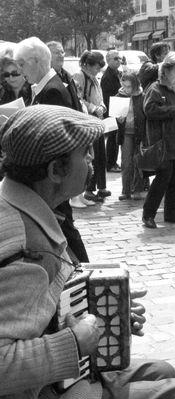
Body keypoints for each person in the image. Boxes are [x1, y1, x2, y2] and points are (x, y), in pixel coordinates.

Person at [0, 104, 175, 399]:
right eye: (84, 155)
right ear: (54, 171)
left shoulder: (19, 205)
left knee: (161, 373)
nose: (92, 162)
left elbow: (37, 310)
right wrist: (76, 340)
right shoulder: (23, 247)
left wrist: (103, 310)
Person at [14, 36, 89, 262]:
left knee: (65, 224)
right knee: (61, 225)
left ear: (36, 61)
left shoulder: (52, 90)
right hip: (51, 172)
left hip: (53, 173)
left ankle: (87, 272)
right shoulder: (44, 86)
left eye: (21, 64)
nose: (19, 70)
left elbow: (54, 136)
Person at [142, 51, 175, 229]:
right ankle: (148, 214)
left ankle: (171, 213)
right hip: (162, 141)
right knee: (163, 177)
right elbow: (149, 110)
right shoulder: (155, 88)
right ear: (165, 71)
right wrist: (174, 110)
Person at [47, 40, 96, 210]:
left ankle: (77, 196)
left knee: (80, 163)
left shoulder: (66, 74)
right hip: (62, 133)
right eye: (56, 52)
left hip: (75, 128)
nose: (61, 55)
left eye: (62, 52)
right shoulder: (48, 78)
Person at [73, 50, 111, 203]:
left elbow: (99, 96)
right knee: (92, 155)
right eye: (96, 66)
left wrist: (101, 106)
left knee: (101, 154)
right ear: (87, 65)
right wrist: (94, 108)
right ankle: (89, 188)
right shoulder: (80, 76)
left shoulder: (94, 78)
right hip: (88, 120)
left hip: (97, 119)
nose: (98, 70)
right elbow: (79, 99)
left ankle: (100, 186)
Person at [116, 71, 146, 201]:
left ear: (135, 85)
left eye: (129, 86)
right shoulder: (119, 96)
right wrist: (119, 120)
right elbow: (115, 116)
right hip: (126, 132)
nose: (126, 89)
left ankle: (138, 189)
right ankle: (126, 190)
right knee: (126, 162)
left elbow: (146, 114)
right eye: (125, 86)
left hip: (139, 132)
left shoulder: (142, 96)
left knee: (138, 161)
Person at [101, 49, 122, 173]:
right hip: (112, 111)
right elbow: (108, 97)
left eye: (120, 58)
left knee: (116, 138)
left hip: (119, 109)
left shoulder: (118, 73)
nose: (118, 61)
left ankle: (113, 162)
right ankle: (110, 163)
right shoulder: (107, 76)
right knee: (112, 139)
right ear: (108, 61)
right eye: (115, 59)